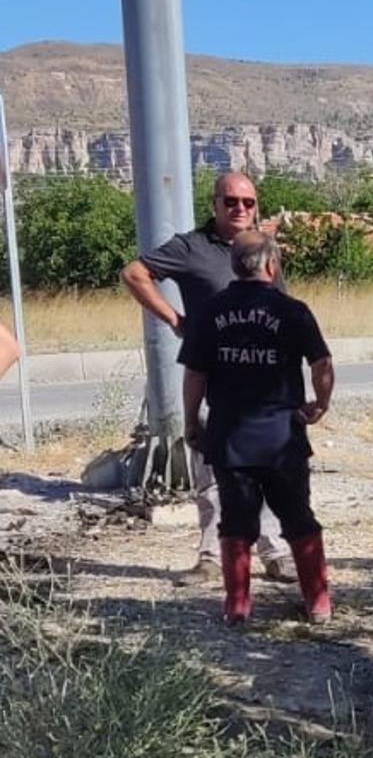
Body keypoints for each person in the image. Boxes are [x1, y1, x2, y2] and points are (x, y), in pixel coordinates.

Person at [120, 171, 295, 583]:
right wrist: (176, 320)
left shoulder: (265, 250)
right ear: (214, 204)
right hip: (212, 377)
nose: (239, 209)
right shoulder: (190, 247)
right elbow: (134, 274)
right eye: (230, 201)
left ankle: (275, 553)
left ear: (257, 207)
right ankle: (211, 557)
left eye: (248, 203)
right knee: (213, 472)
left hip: (264, 383)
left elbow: (282, 306)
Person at [179, 230, 334, 626]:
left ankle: (237, 606)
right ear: (272, 265)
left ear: (234, 266)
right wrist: (320, 404)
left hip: (230, 438)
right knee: (298, 517)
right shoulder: (294, 310)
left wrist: (190, 419)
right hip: (283, 437)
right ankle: (318, 603)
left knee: (235, 520)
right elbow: (322, 365)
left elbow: (194, 374)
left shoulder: (209, 313)